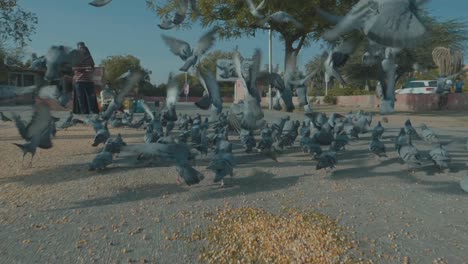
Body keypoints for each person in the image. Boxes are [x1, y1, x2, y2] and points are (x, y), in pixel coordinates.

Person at [72, 41, 99, 115]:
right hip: (80, 80)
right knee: (81, 98)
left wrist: (91, 69)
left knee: (92, 97)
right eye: (80, 47)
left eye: (83, 47)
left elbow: (93, 67)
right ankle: (84, 113)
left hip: (89, 80)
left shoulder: (89, 57)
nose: (82, 49)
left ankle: (93, 113)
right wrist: (84, 68)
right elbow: (73, 68)